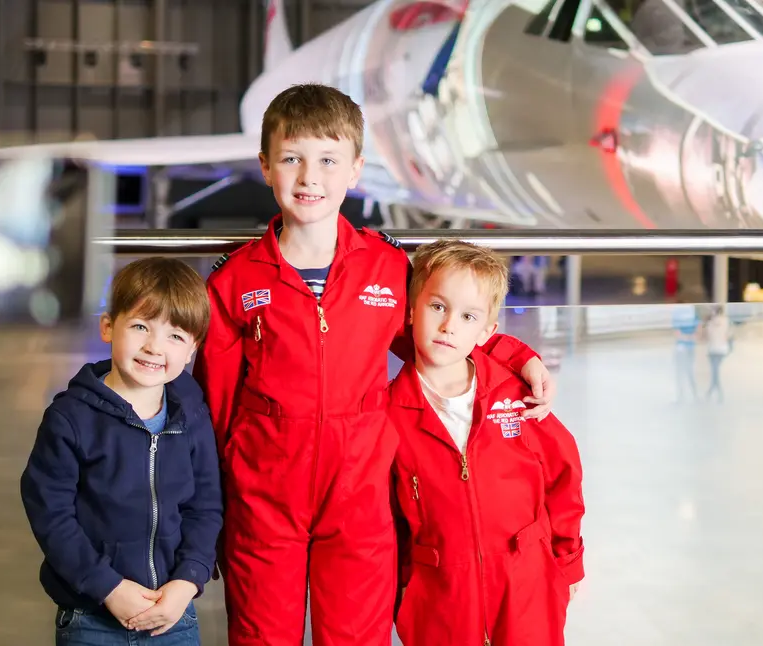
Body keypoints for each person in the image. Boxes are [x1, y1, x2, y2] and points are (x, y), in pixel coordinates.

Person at [193, 83, 555, 646]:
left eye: (328, 161)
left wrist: (517, 354)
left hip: (360, 495)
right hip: (263, 495)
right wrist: (213, 508)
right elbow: (212, 404)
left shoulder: (387, 269)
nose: (310, 178)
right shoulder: (235, 280)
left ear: (356, 170)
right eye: (292, 159)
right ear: (266, 166)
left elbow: (440, 338)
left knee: (357, 636)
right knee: (263, 636)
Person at [387, 239, 585, 646]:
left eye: (468, 316)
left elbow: (563, 475)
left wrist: (567, 562)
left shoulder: (516, 397)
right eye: (437, 307)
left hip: (527, 581)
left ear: (486, 331)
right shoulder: (389, 413)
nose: (449, 326)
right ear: (410, 311)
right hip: (438, 594)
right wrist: (401, 587)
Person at [20, 257, 223, 645]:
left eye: (175, 336)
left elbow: (206, 505)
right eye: (141, 326)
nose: (154, 347)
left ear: (193, 349)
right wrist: (108, 587)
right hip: (92, 618)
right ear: (108, 326)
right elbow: (52, 515)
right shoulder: (70, 418)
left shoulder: (191, 412)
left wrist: (187, 581)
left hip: (173, 614)